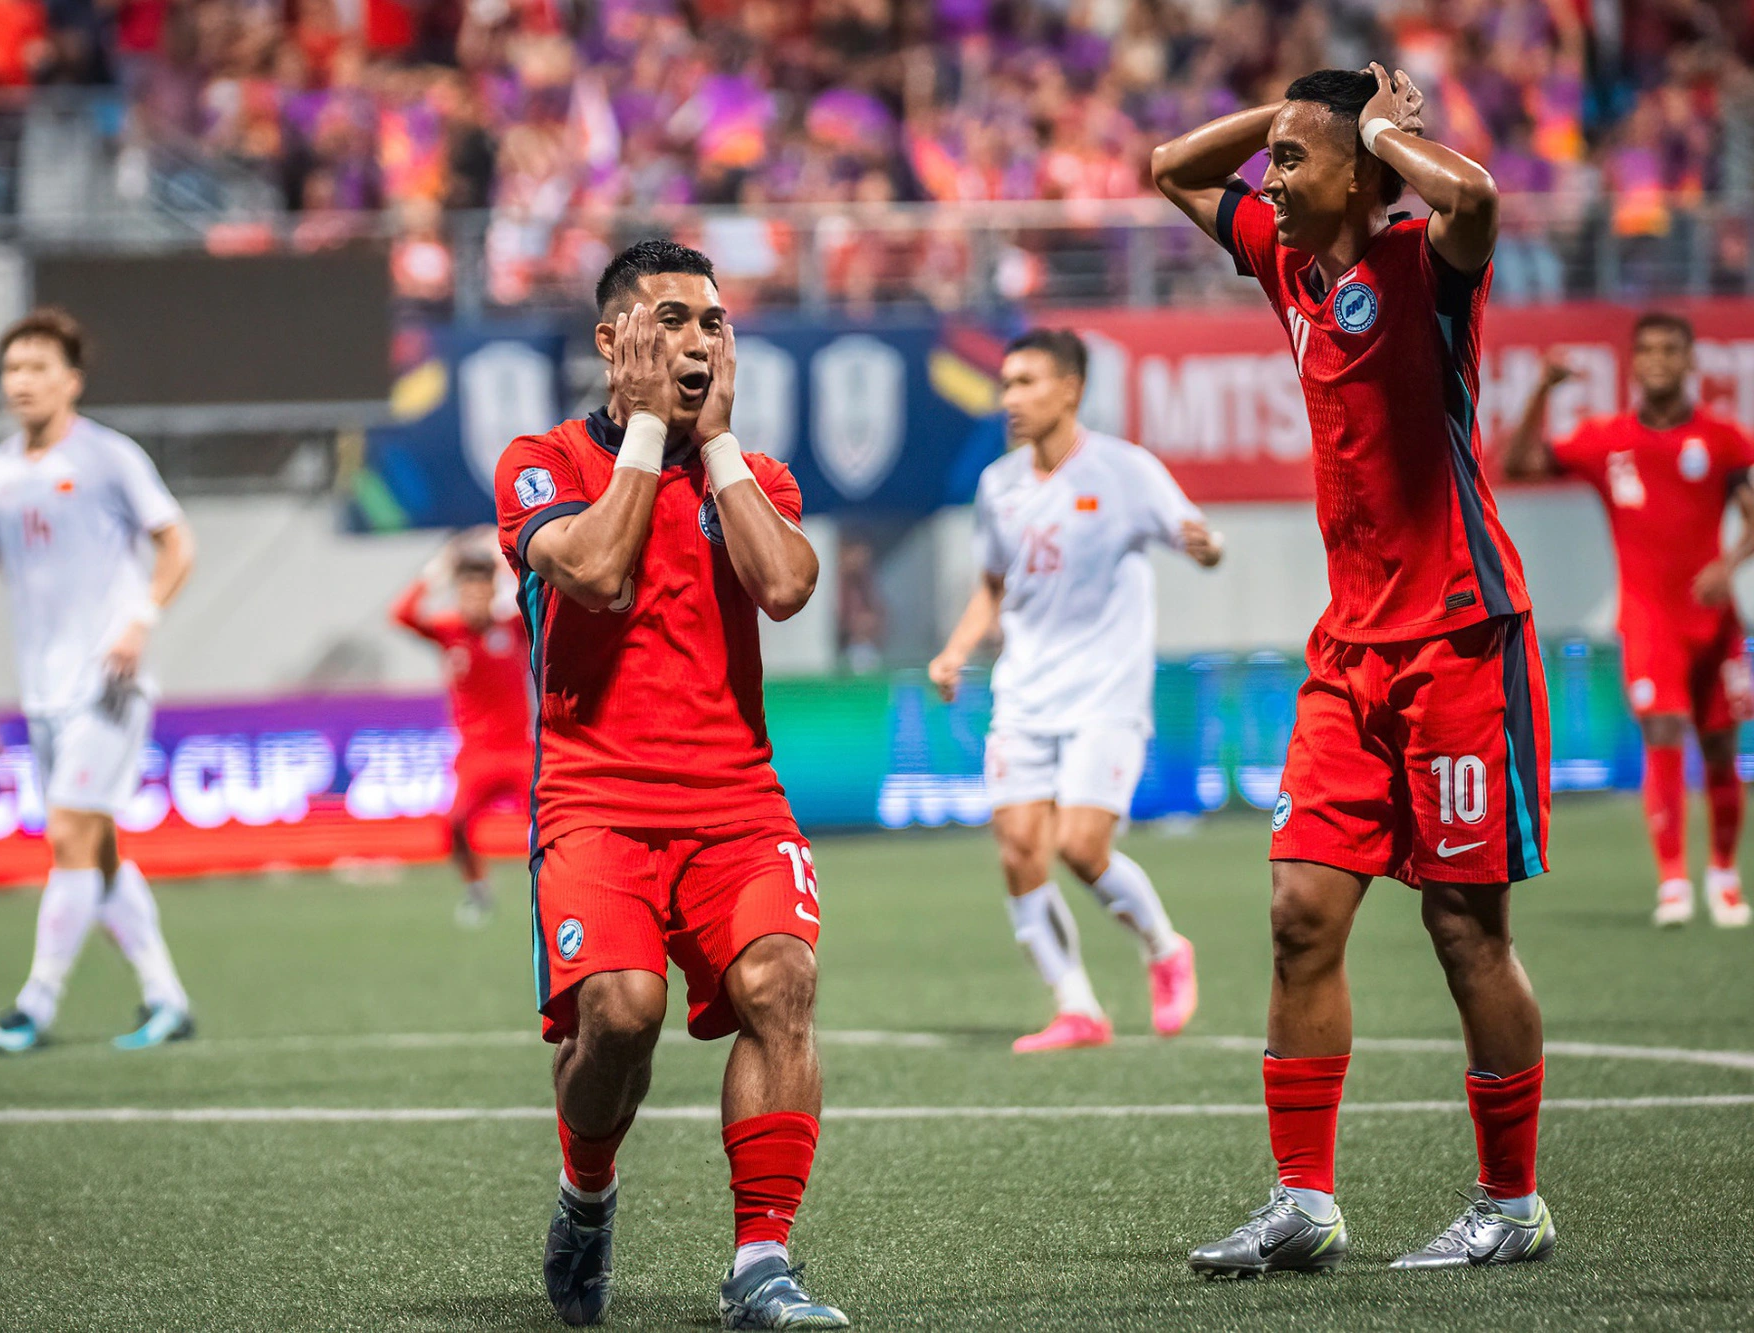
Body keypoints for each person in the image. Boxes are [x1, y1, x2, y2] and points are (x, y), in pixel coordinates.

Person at [1153, 66, 1555, 1274]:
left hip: (1456, 640)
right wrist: (1283, 113)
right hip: (1349, 653)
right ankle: (1302, 1202)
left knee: (1461, 927)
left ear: (1360, 178)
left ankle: (1509, 1203)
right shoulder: (1284, 263)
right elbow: (1170, 169)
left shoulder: (1424, 272)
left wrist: (1373, 131)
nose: (1265, 179)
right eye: (1270, 160)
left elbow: (1474, 196)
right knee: (1296, 916)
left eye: (1288, 162)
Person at [494, 239, 848, 1330]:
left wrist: (720, 443)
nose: (696, 342)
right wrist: (649, 430)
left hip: (736, 803)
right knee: (620, 1012)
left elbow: (786, 586)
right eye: (671, 321)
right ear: (613, 341)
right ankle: (587, 1195)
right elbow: (595, 573)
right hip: (593, 803)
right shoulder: (538, 461)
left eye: (712, 323)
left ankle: (759, 1262)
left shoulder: (750, 473)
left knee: (780, 983)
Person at [0, 307, 198, 1054]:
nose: (21, 382)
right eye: (10, 369)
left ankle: (34, 1006)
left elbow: (177, 545)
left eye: (37, 368)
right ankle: (166, 997)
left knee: (67, 832)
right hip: (42, 691)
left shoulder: (109, 457)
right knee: (95, 850)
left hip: (110, 682)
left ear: (71, 380)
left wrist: (140, 619)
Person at [928, 328, 1220, 1053]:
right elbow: (994, 584)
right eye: (1006, 384)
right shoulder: (999, 485)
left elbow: (1200, 538)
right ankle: (1077, 1005)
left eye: (1027, 382)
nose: (1011, 398)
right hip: (1025, 691)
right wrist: (957, 650)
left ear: (1071, 389)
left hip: (1106, 692)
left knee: (1082, 846)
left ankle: (1163, 946)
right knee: (1020, 847)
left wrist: (1206, 546)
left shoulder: (1125, 471)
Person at [1505, 314, 1753, 929]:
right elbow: (1518, 464)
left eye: (1671, 349)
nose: (1659, 359)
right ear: (1634, 362)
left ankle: (1723, 874)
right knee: (1664, 731)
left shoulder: (1724, 440)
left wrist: (1731, 562)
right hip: (1648, 619)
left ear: (1691, 361)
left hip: (1714, 620)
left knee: (1722, 748)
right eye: (1647, 349)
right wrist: (1542, 388)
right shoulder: (1606, 440)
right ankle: (1673, 882)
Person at [389, 532, 533, 928]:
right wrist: (437, 569)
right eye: (465, 592)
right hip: (476, 756)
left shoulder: (515, 626)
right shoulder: (449, 631)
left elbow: (538, 595)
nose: (472, 600)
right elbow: (399, 613)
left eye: (480, 591)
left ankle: (553, 890)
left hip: (521, 752)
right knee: (453, 824)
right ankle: (478, 888)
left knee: (548, 826)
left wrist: (503, 558)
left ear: (492, 593)